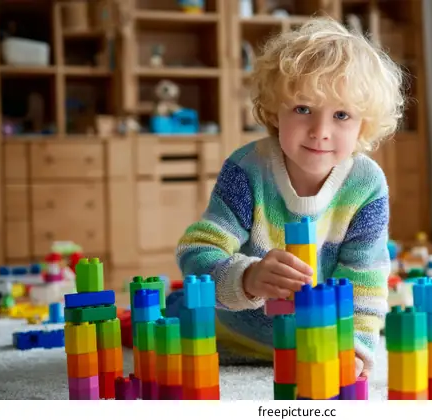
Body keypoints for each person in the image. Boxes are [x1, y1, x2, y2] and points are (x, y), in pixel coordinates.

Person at [167, 16, 405, 378]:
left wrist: (355, 349)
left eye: (342, 115)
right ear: (275, 109)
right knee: (159, 321)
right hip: (225, 337)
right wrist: (248, 278)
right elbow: (196, 251)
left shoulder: (366, 185)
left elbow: (365, 281)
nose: (320, 132)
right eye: (303, 109)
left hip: (313, 348)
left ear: (365, 124)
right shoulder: (248, 169)